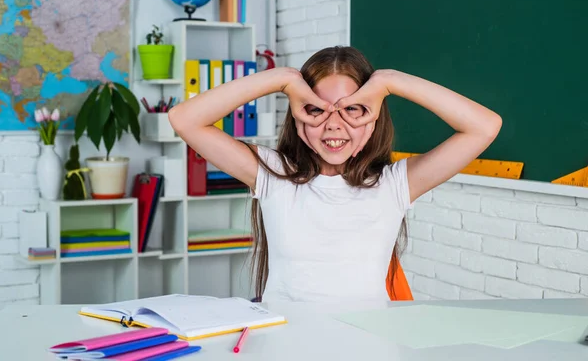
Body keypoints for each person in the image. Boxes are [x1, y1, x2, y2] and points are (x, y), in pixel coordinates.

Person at [168, 46, 502, 303]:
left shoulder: (394, 184)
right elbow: (185, 119)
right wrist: (282, 79)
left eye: (352, 109)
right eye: (316, 108)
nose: (333, 124)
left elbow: (484, 127)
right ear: (298, 116)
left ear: (373, 118)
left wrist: (388, 81)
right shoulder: (273, 176)